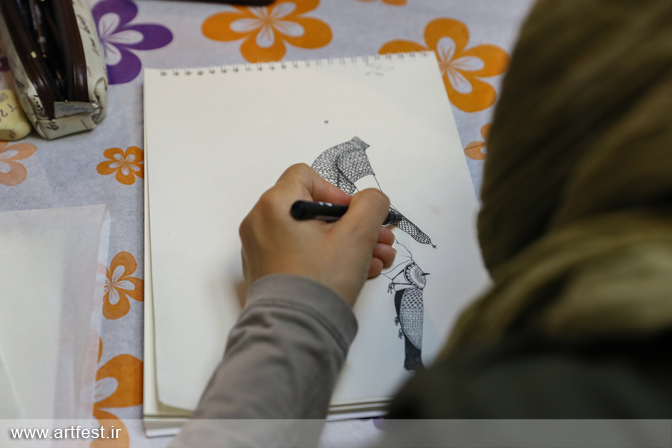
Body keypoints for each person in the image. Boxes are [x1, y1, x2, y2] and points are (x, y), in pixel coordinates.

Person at [171, 0, 672, 446]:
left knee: (408, 273)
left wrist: (294, 311)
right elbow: (377, 203)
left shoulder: (497, 412)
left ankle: (412, 353)